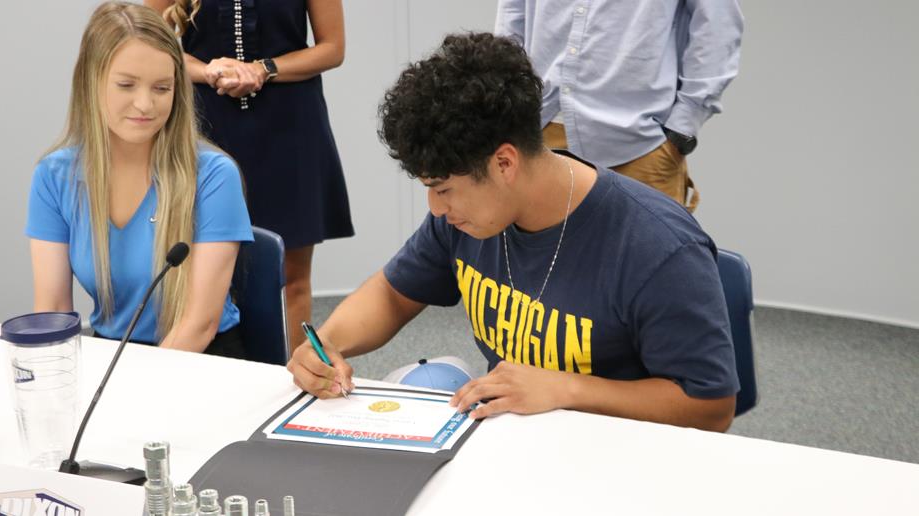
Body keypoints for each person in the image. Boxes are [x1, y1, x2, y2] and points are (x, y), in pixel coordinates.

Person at [287, 33, 740, 432]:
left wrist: (569, 389)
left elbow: (710, 407)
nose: (436, 208)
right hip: (515, 440)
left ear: (504, 163)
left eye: (443, 189)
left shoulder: (657, 246)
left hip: (622, 454)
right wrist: (328, 343)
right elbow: (392, 294)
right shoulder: (469, 217)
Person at [26, 2, 253, 357]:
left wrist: (136, 395)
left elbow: (199, 323)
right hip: (112, 358)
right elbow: (53, 310)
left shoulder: (213, 175)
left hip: (201, 359)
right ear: (90, 81)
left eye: (162, 88)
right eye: (126, 85)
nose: (145, 104)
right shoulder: (54, 177)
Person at [149, 0, 355, 347]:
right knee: (202, 273)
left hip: (291, 125)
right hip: (204, 125)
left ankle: (295, 379)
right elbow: (150, 45)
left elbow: (332, 48)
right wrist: (209, 71)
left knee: (292, 276)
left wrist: (264, 69)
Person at [495, 0, 744, 212]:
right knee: (536, 264)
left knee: (648, 264)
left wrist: (683, 126)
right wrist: (508, 98)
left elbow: (718, 25)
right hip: (538, 131)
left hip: (638, 145)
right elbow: (513, 12)